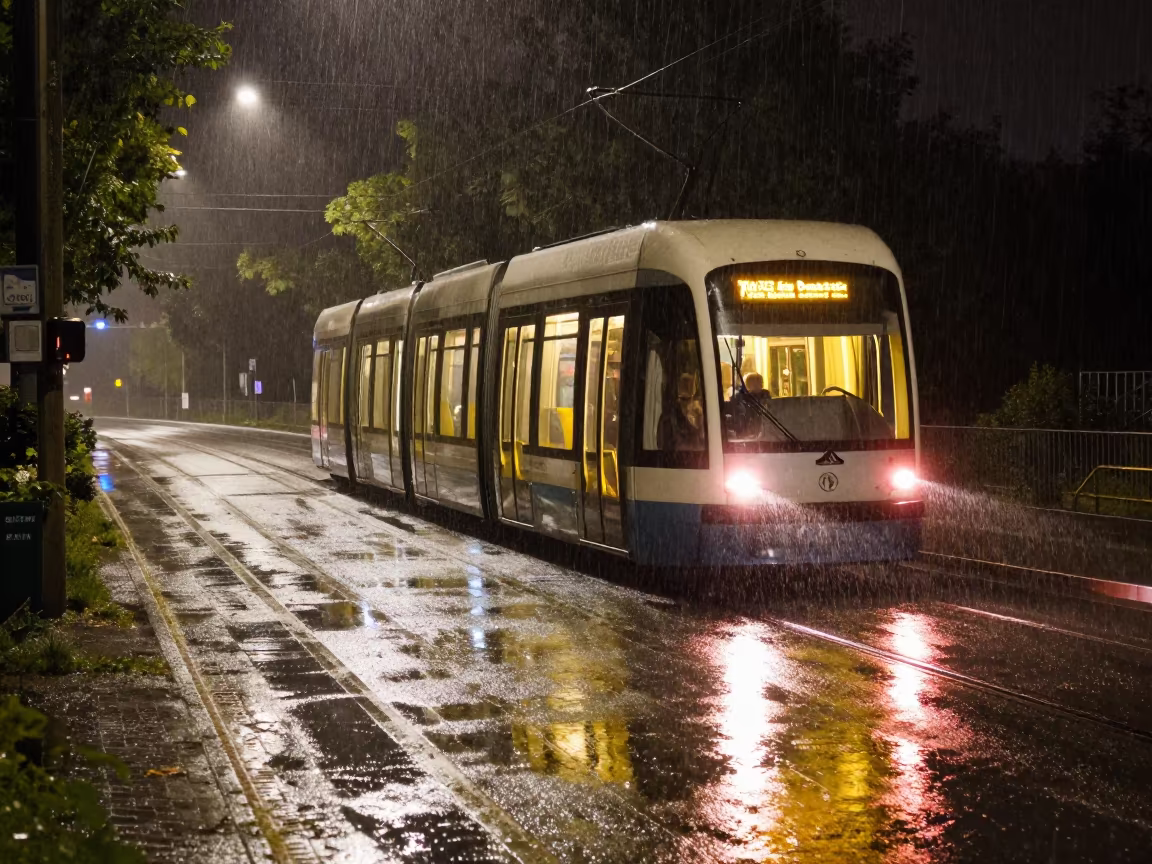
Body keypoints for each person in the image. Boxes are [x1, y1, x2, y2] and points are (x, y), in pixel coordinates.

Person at [731, 372, 772, 437]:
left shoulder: (765, 394)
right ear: (748, 384)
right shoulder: (743, 396)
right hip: (748, 427)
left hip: (764, 425)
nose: (760, 384)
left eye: (761, 382)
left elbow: (770, 407)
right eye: (756, 383)